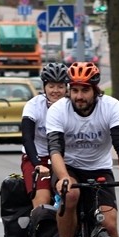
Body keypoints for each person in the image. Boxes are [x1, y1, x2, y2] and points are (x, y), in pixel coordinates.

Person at [45, 61, 119, 237]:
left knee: (109, 224)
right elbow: (55, 150)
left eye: (85, 90)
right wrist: (62, 178)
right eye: (75, 90)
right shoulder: (58, 110)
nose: (79, 96)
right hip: (69, 167)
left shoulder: (111, 106)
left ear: (95, 90)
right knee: (70, 196)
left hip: (99, 169)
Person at [21, 62, 69, 208]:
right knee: (42, 201)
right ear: (44, 87)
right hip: (39, 158)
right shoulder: (33, 106)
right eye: (51, 86)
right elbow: (27, 138)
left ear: (67, 87)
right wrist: (37, 165)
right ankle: (38, 228)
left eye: (60, 86)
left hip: (65, 158)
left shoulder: (73, 106)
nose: (56, 91)